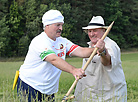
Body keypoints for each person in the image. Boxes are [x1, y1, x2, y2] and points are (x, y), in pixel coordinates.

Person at [17, 10, 104, 102]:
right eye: (58, 25)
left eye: (62, 25)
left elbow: (81, 51)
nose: (61, 28)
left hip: (49, 89)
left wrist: (97, 49)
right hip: (30, 85)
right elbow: (53, 59)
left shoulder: (62, 41)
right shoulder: (39, 41)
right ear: (47, 25)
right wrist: (73, 70)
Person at [74, 16, 127, 102]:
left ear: (104, 31)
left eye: (95, 30)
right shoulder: (90, 45)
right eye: (89, 31)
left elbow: (107, 62)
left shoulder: (111, 45)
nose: (91, 34)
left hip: (109, 96)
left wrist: (102, 52)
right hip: (90, 94)